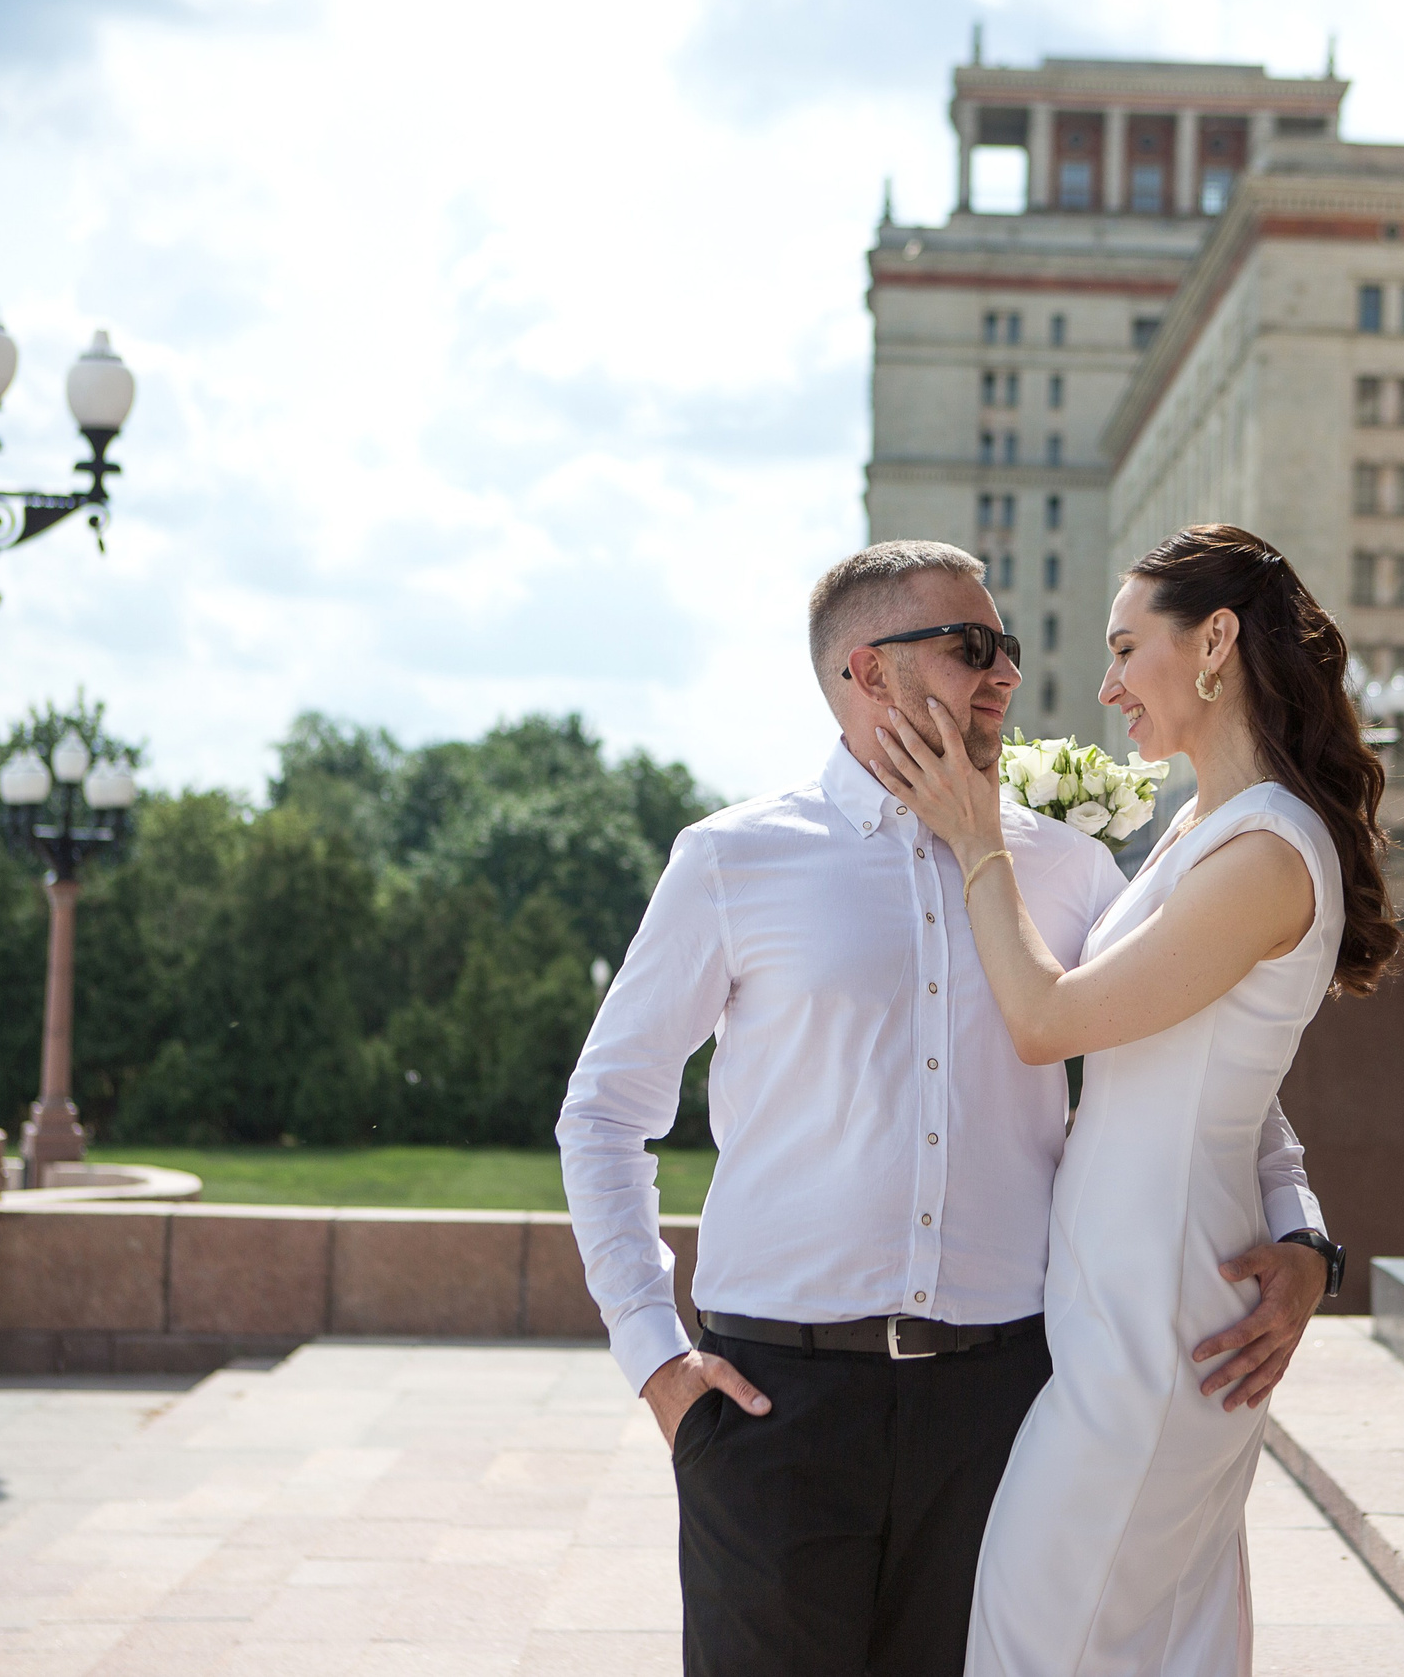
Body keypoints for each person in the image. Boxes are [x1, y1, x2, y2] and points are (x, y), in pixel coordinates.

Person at [556, 539, 1341, 1677]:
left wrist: (1305, 1232)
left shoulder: (1068, 872)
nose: (1006, 676)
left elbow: (1193, 1057)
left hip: (1002, 1406)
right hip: (777, 1409)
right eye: (971, 647)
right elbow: (604, 1112)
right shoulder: (734, 861)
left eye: (1007, 649)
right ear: (866, 674)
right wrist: (655, 1360)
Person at [869, 523, 1398, 1677]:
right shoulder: (1206, 827)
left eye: (1124, 649)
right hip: (1126, 1294)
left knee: (1030, 1637)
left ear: (1215, 643)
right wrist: (1305, 1235)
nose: (1104, 686)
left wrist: (975, 842)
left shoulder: (1264, 852)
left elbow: (1046, 1023)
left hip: (1160, 1317)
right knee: (1155, 1645)